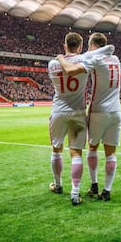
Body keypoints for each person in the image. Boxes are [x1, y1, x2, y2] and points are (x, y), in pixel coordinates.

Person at [57, 32, 121, 202]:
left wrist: (61, 58)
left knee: (93, 148)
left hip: (98, 111)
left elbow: (71, 70)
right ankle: (107, 191)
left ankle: (94, 185)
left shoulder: (95, 59)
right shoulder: (115, 60)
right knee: (111, 153)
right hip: (116, 112)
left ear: (92, 46)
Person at [47, 32, 88, 206]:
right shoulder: (85, 62)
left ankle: (57, 185)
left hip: (58, 110)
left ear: (65, 46)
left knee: (56, 149)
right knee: (76, 152)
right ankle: (75, 193)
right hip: (78, 111)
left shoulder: (52, 64)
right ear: (80, 47)